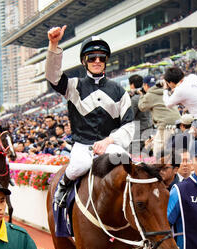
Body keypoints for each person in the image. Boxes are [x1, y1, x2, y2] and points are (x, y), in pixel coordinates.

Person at [45, 26, 134, 207]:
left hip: (110, 145)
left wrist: (108, 141)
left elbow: (129, 125)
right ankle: (62, 187)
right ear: (84, 61)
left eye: (101, 58)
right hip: (82, 145)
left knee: (128, 164)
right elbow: (53, 76)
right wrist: (53, 45)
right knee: (80, 165)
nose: (97, 61)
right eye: (92, 58)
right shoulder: (73, 86)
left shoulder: (118, 90)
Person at [138, 75, 181, 156]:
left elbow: (141, 107)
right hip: (178, 122)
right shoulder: (165, 91)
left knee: (158, 151)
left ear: (145, 85)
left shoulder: (149, 95)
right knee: (175, 148)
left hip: (165, 125)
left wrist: (141, 95)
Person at [128, 74, 153, 153]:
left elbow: (130, 116)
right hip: (150, 127)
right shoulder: (147, 95)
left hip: (139, 132)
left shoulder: (135, 99)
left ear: (132, 85)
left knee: (134, 155)